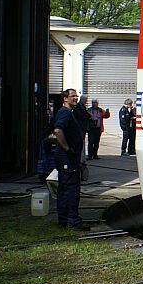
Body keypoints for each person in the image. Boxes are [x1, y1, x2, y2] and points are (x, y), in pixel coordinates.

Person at [52, 88, 86, 230]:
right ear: (65, 99)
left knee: (64, 187)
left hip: (68, 157)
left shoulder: (68, 113)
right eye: (72, 96)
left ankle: (64, 220)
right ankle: (73, 221)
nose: (75, 98)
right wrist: (67, 148)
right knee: (71, 188)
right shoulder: (65, 113)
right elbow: (58, 130)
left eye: (76, 96)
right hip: (67, 158)